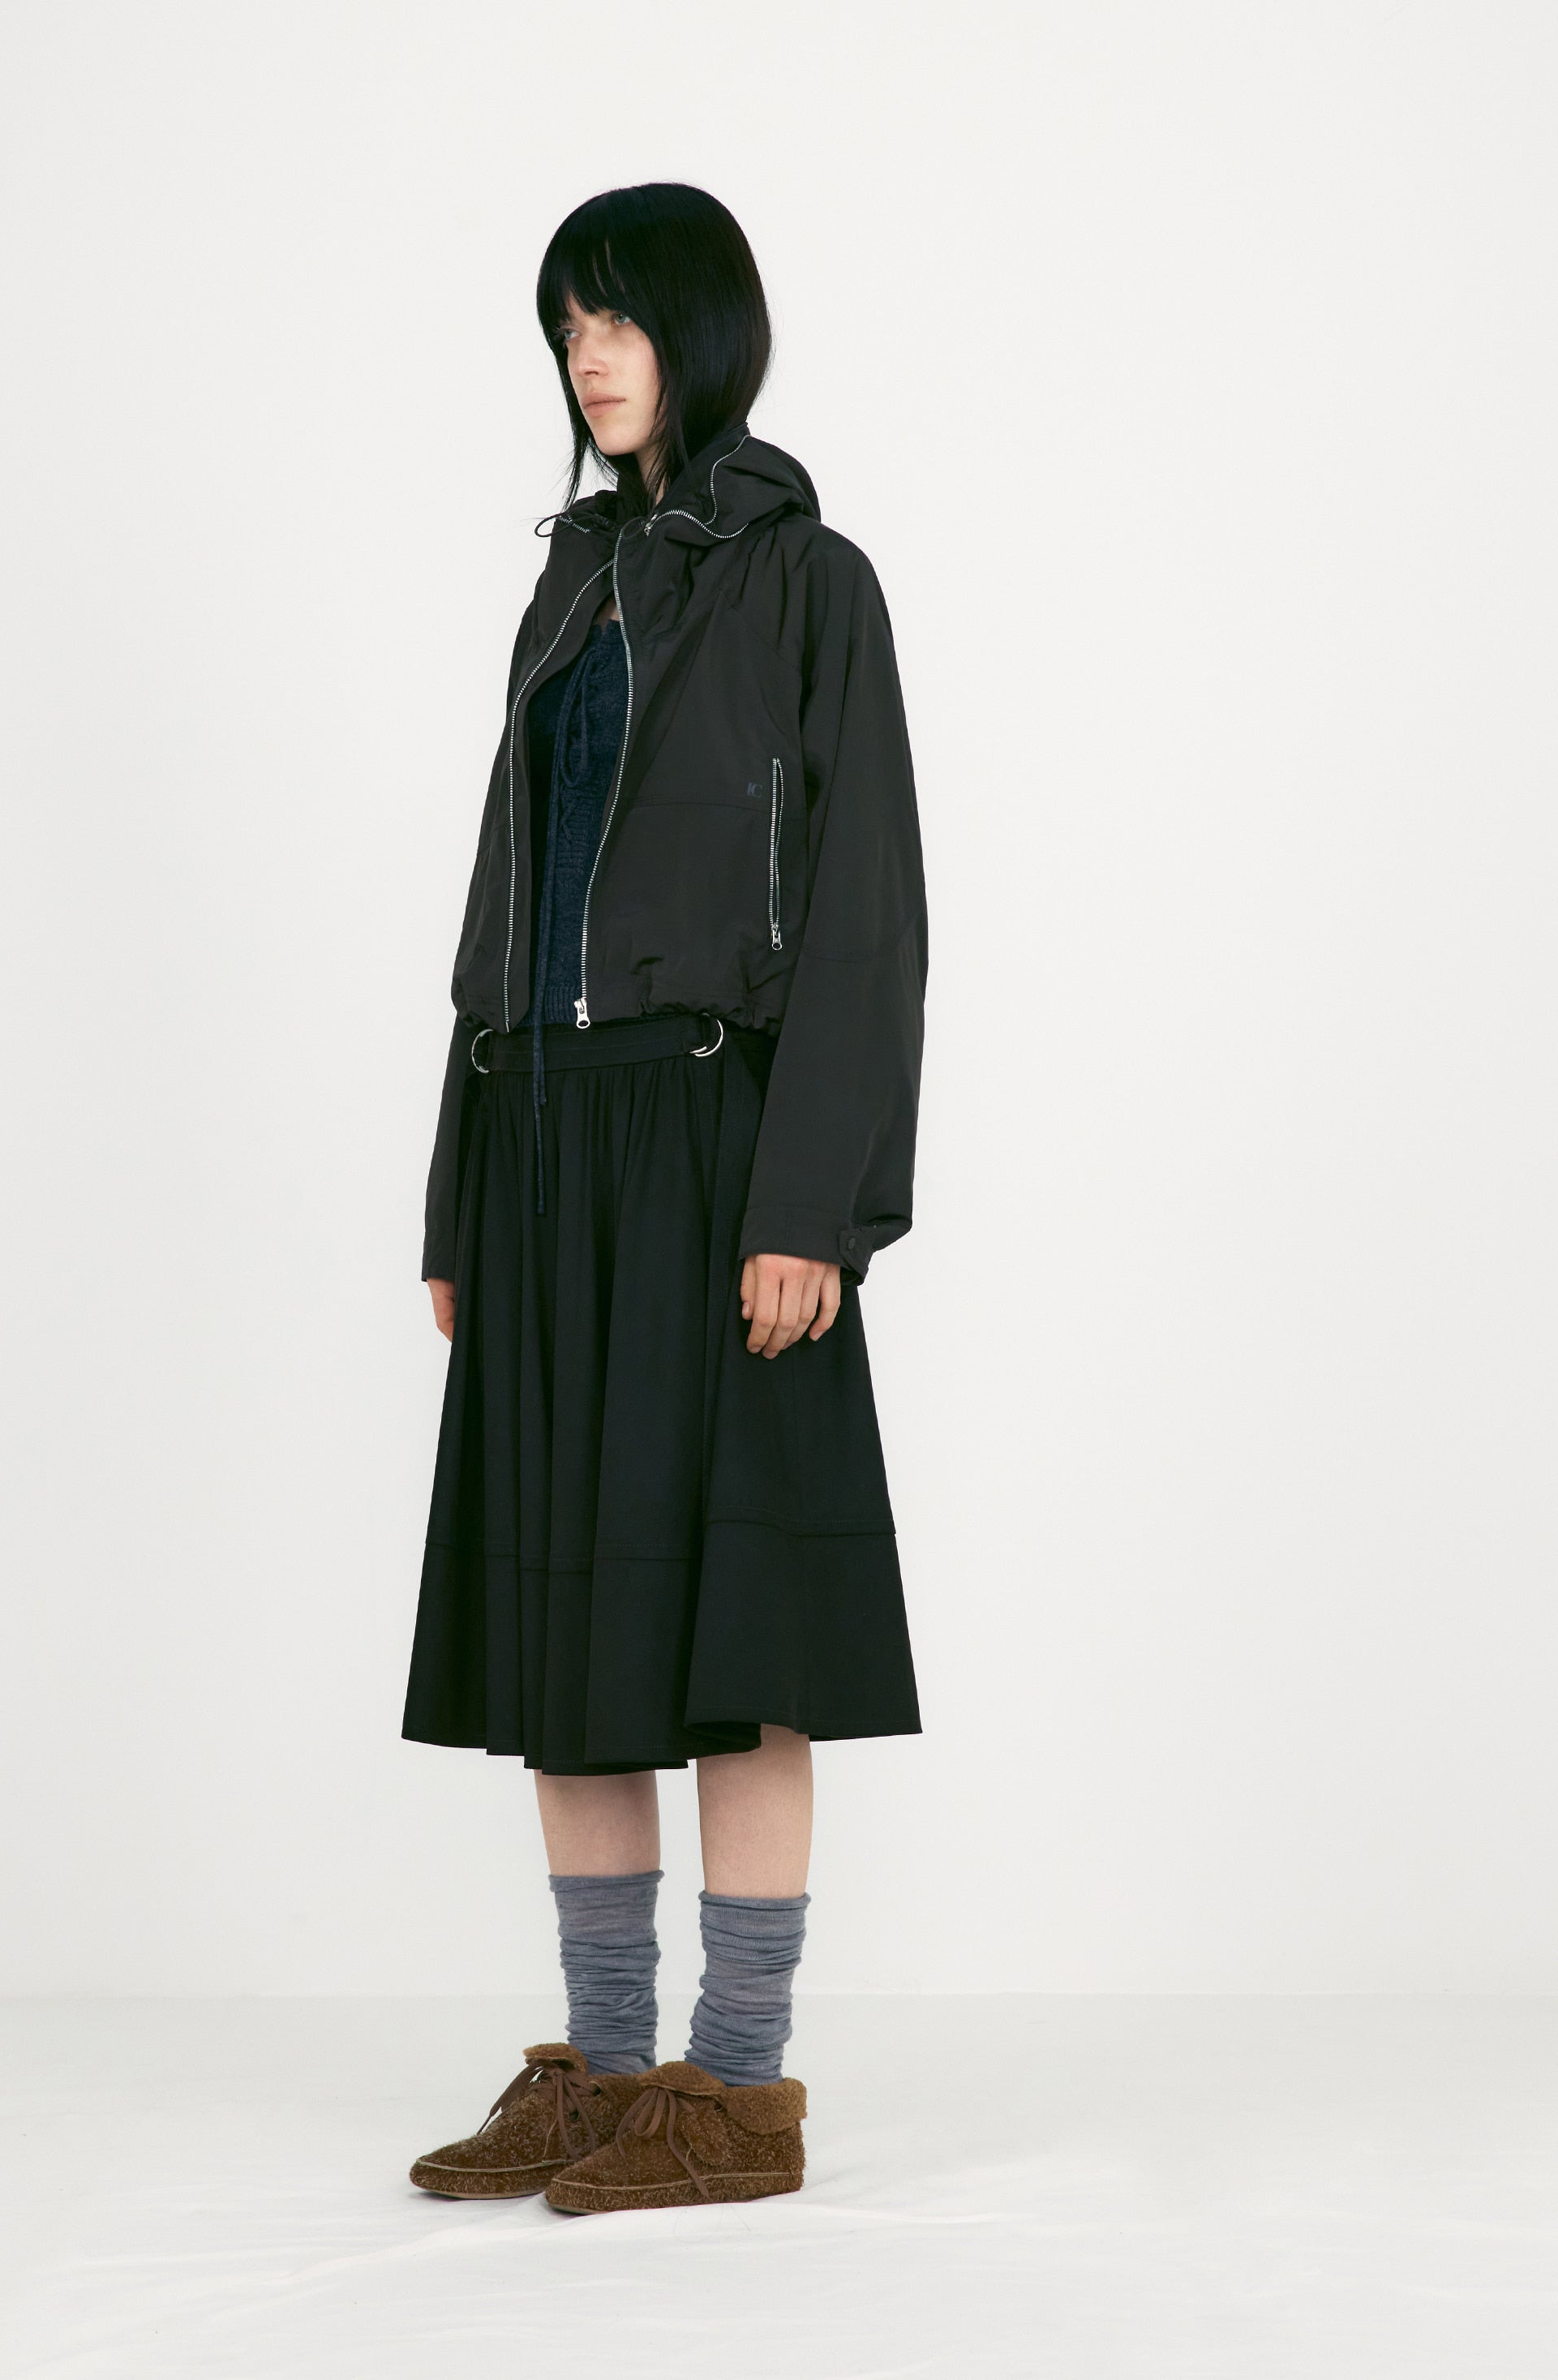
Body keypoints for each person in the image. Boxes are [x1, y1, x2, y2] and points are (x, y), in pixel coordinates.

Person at [401, 183, 926, 2215]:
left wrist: (813, 1206)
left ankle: (738, 2090)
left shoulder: (806, 583)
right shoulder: (566, 587)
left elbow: (865, 913)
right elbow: (499, 908)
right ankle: (609, 2072)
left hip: (716, 1145)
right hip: (544, 1143)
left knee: (735, 1631)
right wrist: (458, 1193)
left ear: (699, 335)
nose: (586, 358)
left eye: (616, 320)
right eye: (566, 326)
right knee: (573, 1621)